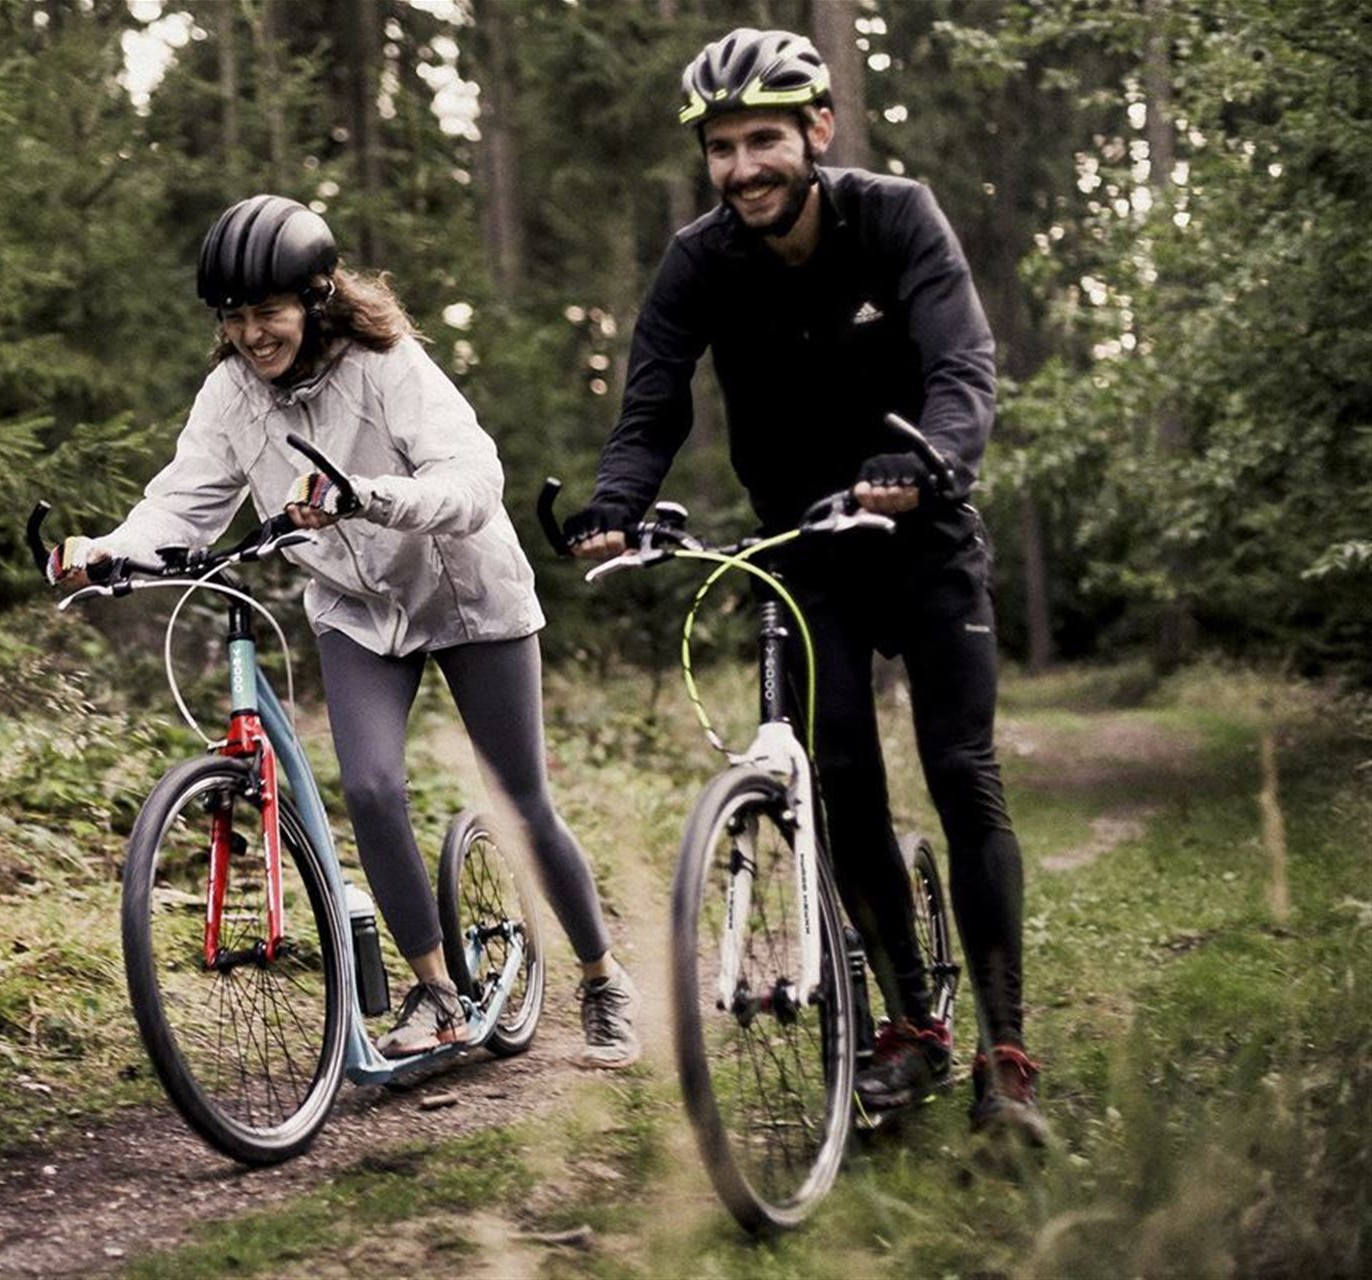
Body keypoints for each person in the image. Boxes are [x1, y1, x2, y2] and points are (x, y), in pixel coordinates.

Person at [564, 29, 1047, 1143]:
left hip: (922, 533)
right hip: (802, 549)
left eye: (765, 140)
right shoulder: (699, 260)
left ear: (817, 133)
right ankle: (912, 1027)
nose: (744, 168)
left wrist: (927, 461)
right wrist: (615, 501)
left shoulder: (897, 216)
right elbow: (653, 404)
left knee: (963, 773)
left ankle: (1006, 1054)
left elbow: (966, 366)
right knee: (837, 784)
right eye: (723, 148)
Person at [51, 194, 640, 1069]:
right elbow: (183, 504)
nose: (254, 334)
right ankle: (436, 991)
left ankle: (602, 978)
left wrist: (368, 495)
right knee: (368, 789)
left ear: (317, 299)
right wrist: (105, 552)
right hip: (357, 611)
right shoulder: (231, 396)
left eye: (270, 312)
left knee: (521, 801)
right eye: (237, 317)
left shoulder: (387, 363)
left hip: (467, 591)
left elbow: (474, 479)